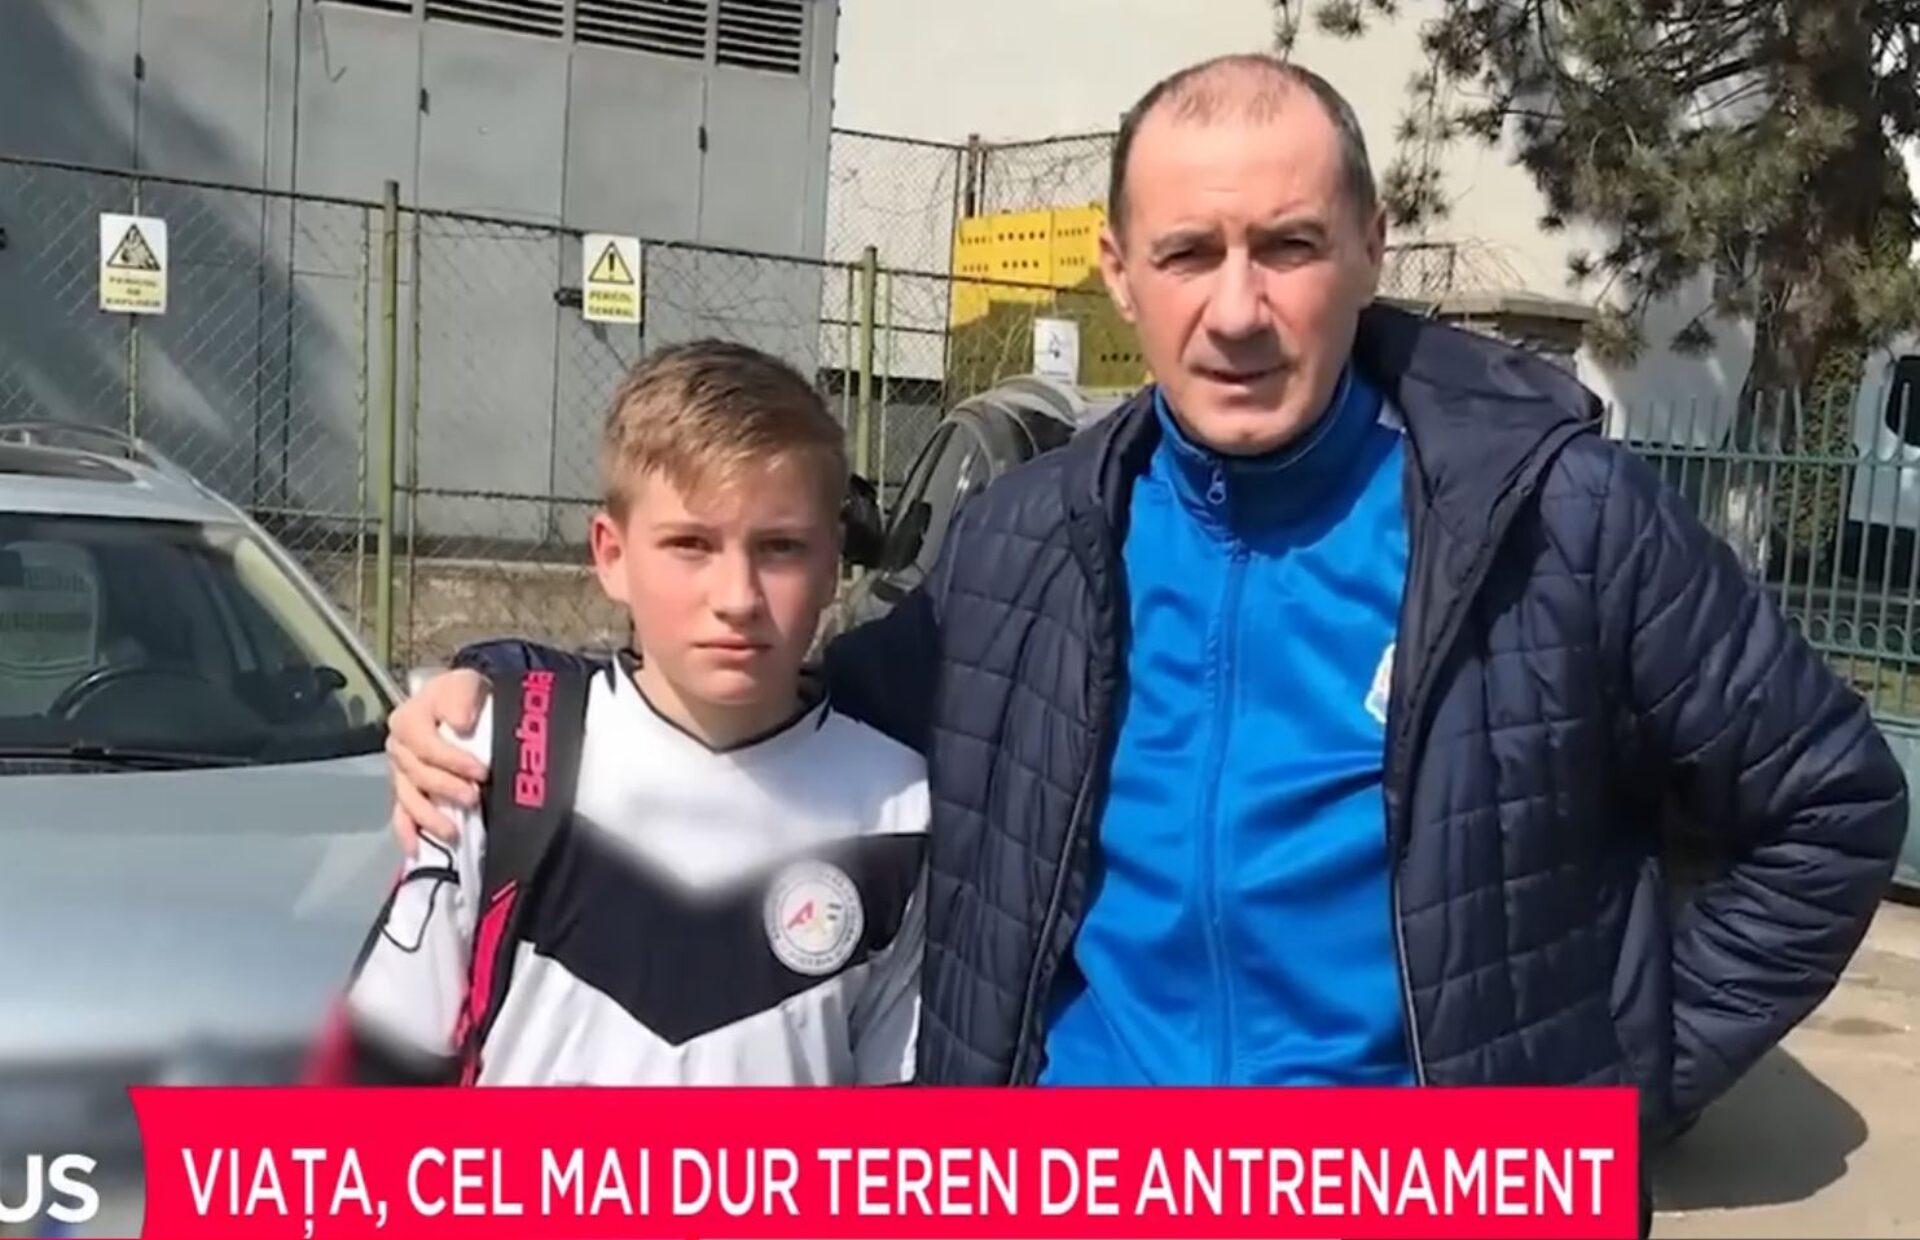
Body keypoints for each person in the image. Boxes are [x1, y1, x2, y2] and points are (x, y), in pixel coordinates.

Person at [387, 52, 1905, 1161]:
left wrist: (1612, 1090)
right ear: (1121, 273)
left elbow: (1832, 807)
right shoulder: (1032, 540)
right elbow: (780, 685)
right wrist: (515, 686)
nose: (1236, 310)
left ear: (1369, 249)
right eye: (1188, 253)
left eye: (1287, 246)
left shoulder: (1555, 518)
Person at [323, 339, 929, 1086]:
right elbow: (377, 1079)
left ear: (833, 562)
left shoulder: (903, 808)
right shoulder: (492, 759)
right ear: (611, 555)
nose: (737, 597)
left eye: (780, 548)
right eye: (691, 545)